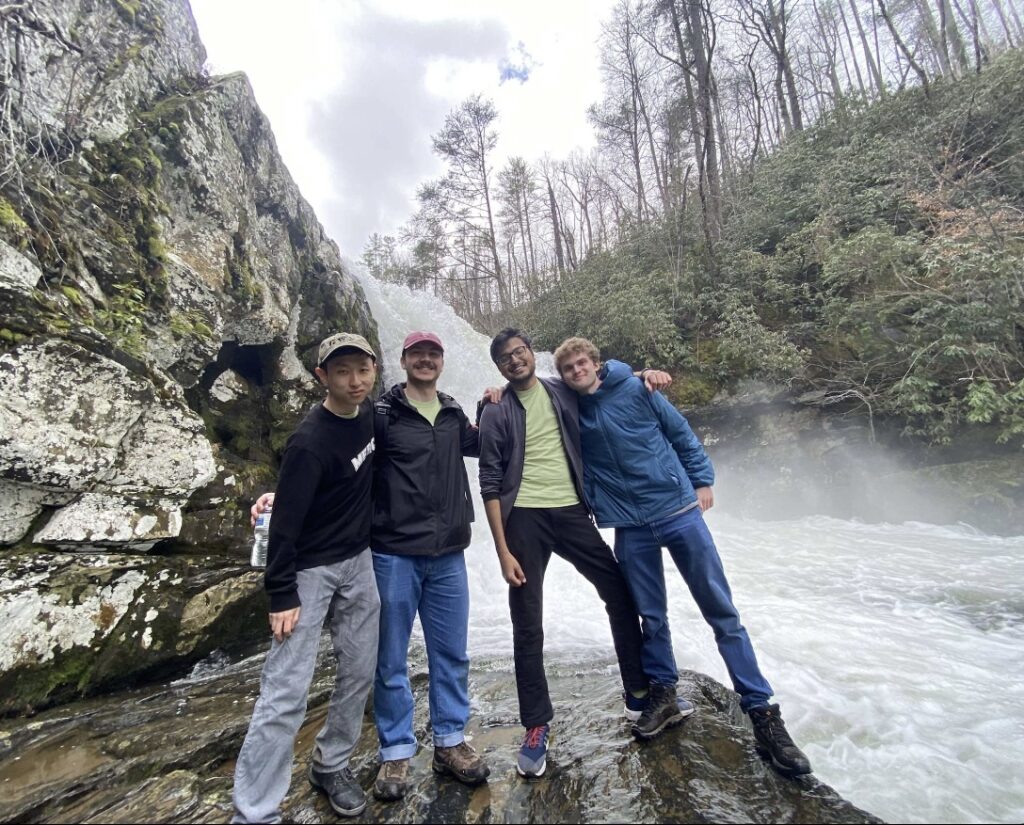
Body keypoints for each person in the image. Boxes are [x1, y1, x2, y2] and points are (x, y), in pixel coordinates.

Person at [553, 336, 812, 774]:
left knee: (721, 611)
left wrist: (702, 479)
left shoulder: (638, 388)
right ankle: (666, 693)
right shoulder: (569, 408)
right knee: (651, 617)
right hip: (630, 527)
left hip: (677, 511)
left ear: (597, 363)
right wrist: (497, 391)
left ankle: (763, 713)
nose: (577, 371)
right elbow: (530, 391)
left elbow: (679, 432)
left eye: (583, 363)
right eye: (569, 368)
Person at [253, 331, 489, 804]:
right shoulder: (379, 415)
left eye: (433, 354)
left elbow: (482, 447)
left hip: (447, 553)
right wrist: (278, 500)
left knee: (451, 654)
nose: (425, 360)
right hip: (393, 551)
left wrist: (494, 404)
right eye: (417, 354)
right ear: (401, 362)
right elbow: (325, 459)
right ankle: (396, 749)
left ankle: (449, 741)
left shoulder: (451, 411)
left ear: (440, 362)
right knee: (389, 659)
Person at [477, 328, 671, 780]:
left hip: (570, 512)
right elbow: (489, 481)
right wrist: (502, 550)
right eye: (505, 357)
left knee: (619, 590)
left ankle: (637, 690)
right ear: (499, 367)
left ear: (530, 353)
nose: (515, 360)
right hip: (522, 519)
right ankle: (536, 725)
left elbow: (600, 377)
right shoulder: (495, 409)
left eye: (520, 351)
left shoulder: (560, 388)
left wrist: (644, 372)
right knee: (527, 620)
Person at [232, 332, 382, 824]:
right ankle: (254, 811)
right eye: (342, 372)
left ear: (375, 370)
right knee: (286, 690)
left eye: (362, 369)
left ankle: (331, 763)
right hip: (308, 572)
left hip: (359, 562)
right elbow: (284, 527)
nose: (354, 381)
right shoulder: (309, 440)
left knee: (360, 671)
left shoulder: (370, 416)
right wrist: (281, 594)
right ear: (322, 377)